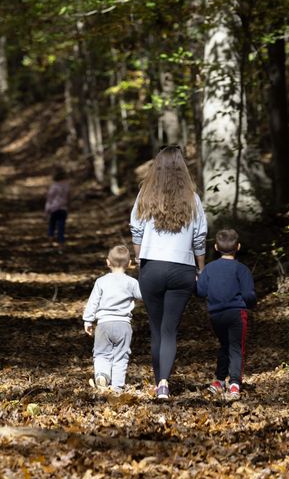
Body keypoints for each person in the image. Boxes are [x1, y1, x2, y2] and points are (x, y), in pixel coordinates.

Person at [129, 146, 207, 400]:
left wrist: (142, 261)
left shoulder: (145, 194)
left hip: (152, 266)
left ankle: (159, 382)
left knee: (155, 327)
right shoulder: (192, 198)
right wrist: (201, 268)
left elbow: (136, 230)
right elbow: (200, 237)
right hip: (182, 268)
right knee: (169, 329)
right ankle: (164, 381)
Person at [196, 227, 256, 400]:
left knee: (224, 345)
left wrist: (195, 280)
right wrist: (251, 304)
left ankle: (220, 380)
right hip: (237, 313)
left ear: (215, 247)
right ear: (238, 247)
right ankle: (235, 383)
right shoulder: (241, 269)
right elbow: (248, 294)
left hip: (216, 315)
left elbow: (200, 292)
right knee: (236, 347)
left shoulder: (209, 269)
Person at [82, 244, 142, 393]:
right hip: (123, 325)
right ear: (129, 264)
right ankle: (117, 386)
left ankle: (102, 375)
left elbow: (93, 302)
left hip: (104, 324)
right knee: (121, 355)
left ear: (107, 262)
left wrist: (88, 320)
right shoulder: (132, 282)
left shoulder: (101, 282)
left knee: (102, 353)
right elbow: (142, 296)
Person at [44, 165, 70, 246]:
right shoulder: (66, 185)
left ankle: (51, 237)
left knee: (52, 224)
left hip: (54, 208)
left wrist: (47, 209)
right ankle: (61, 239)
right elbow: (68, 196)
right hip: (63, 209)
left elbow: (50, 198)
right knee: (61, 225)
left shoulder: (54, 186)